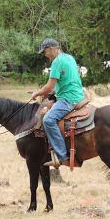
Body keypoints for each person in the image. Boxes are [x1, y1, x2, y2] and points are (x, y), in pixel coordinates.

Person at [31, 38, 84, 167]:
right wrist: (50, 94)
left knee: (48, 119)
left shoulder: (56, 62)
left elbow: (49, 86)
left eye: (45, 52)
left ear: (51, 49)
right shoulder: (69, 57)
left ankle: (62, 156)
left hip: (68, 99)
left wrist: (37, 93)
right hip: (77, 95)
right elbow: (64, 81)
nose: (45, 55)